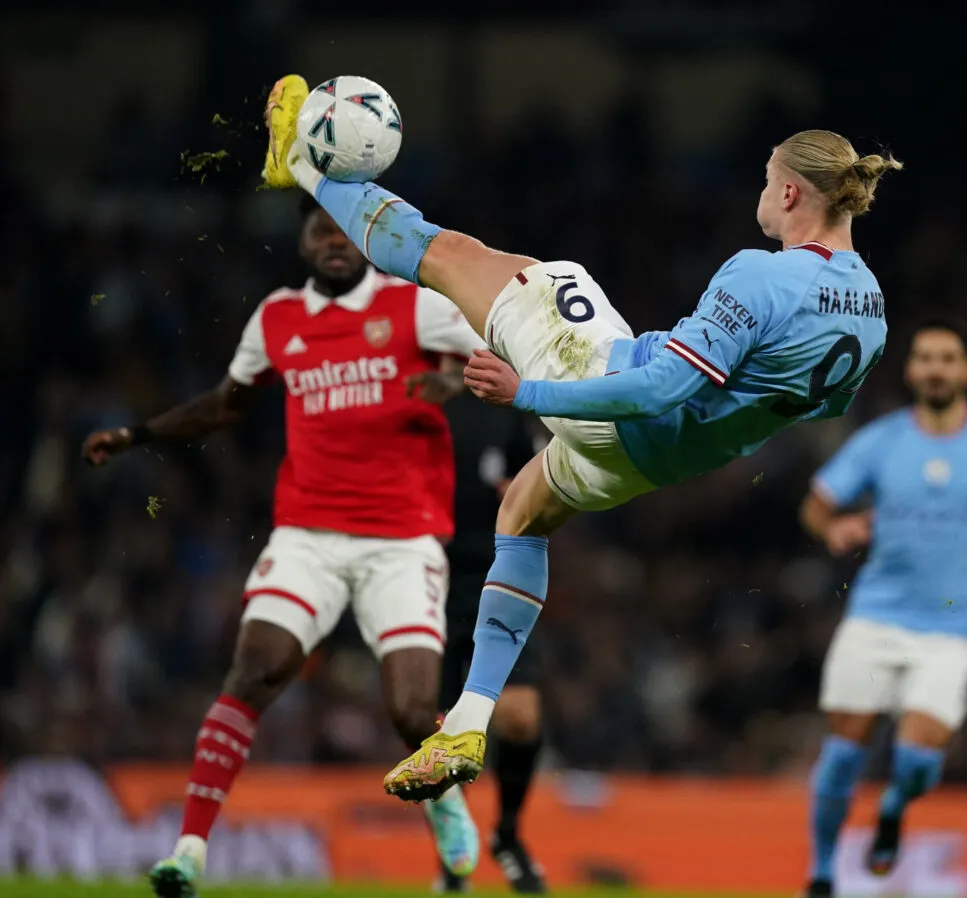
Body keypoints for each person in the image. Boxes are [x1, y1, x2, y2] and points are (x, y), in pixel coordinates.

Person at [259, 75, 900, 801]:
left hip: (602, 395)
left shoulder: (764, 276)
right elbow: (811, 410)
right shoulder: (873, 313)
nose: (761, 193)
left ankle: (300, 165)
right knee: (522, 512)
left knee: (454, 257)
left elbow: (661, 387)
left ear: (789, 194)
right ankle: (467, 722)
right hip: (652, 464)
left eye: (766, 180)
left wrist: (526, 392)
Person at [82, 194, 483, 898]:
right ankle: (188, 851)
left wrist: (451, 380)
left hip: (403, 537)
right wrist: (138, 436)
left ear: (365, 239)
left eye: (344, 229)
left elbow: (488, 362)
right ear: (302, 242)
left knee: (413, 713)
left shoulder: (415, 306)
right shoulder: (277, 318)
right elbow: (225, 404)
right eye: (319, 228)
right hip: (309, 533)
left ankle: (445, 809)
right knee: (256, 668)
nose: (333, 239)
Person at [798, 319, 967, 897]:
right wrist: (835, 527)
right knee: (842, 755)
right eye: (925, 358)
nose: (936, 368)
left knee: (918, 758)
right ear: (910, 370)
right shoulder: (881, 441)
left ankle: (895, 804)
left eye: (948, 358)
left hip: (954, 628)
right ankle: (821, 876)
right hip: (875, 616)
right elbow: (816, 505)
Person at [437, 401, 550, 893]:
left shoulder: (508, 413)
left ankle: (506, 834)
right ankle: (452, 851)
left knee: (521, 715)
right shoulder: (417, 406)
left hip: (498, 572)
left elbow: (543, 493)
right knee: (435, 725)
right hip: (430, 578)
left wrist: (528, 497)